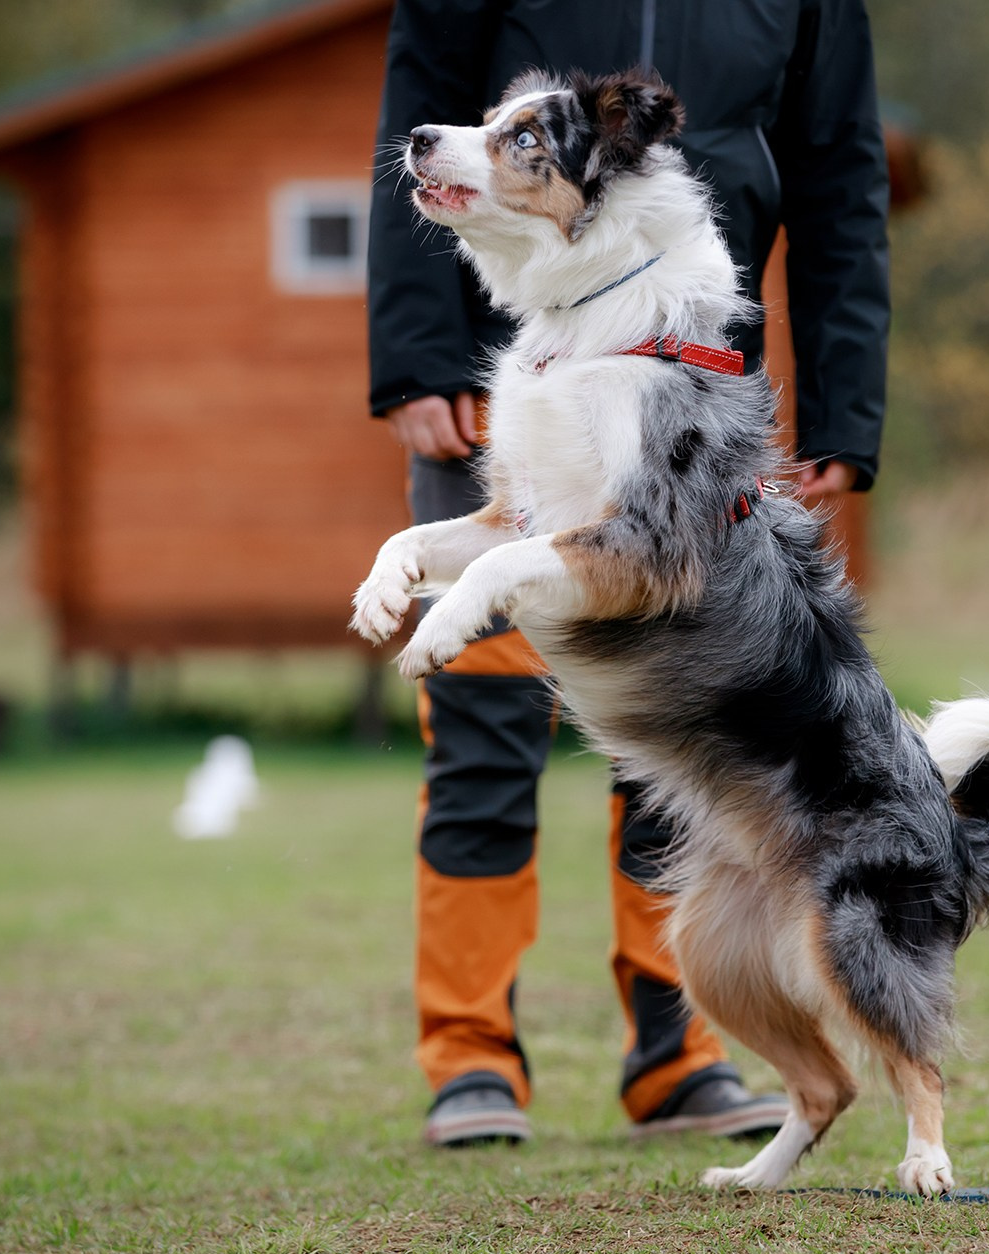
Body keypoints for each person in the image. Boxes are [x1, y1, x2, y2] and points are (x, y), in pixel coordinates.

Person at [366, 0, 891, 1146]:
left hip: (683, 378)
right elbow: (417, 113)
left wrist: (844, 415)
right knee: (481, 726)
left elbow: (839, 173)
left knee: (679, 734)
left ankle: (678, 1056)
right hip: (498, 361)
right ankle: (471, 1058)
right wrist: (409, 356)